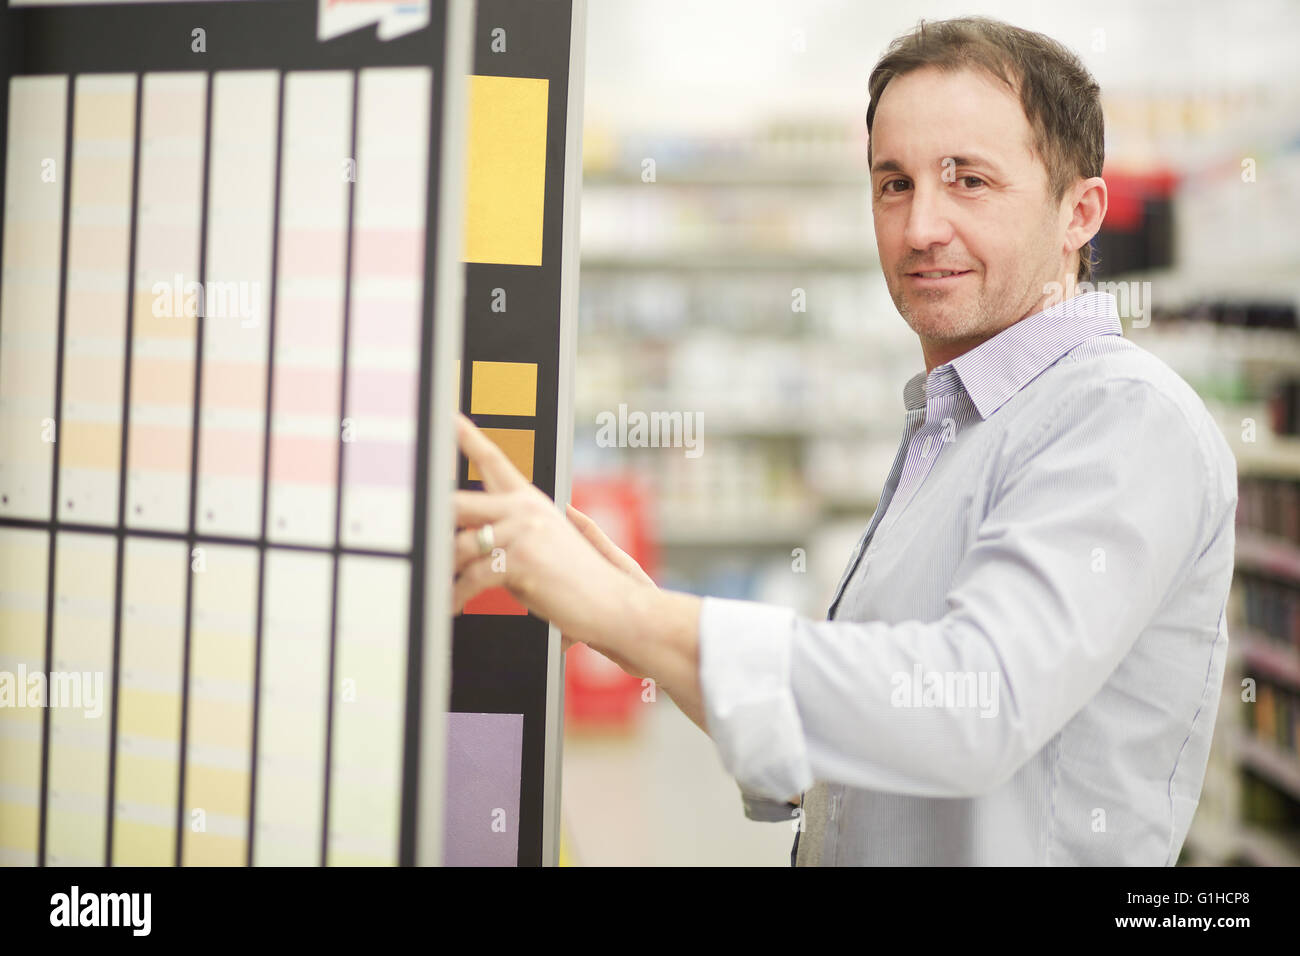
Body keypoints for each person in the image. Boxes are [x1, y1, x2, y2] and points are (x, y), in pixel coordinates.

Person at [452, 15, 1237, 865]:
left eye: (968, 180)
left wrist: (636, 614)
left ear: (1080, 212)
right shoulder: (959, 420)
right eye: (893, 183)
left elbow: (971, 706)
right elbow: (862, 748)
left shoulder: (1123, 418)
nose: (921, 226)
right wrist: (631, 629)